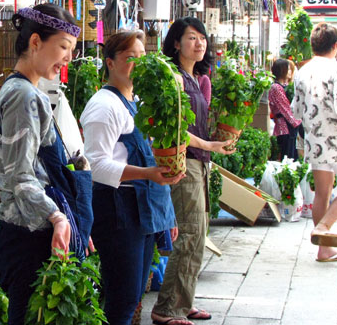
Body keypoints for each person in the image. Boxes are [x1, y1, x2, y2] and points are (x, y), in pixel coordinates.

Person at [0, 4, 92, 325]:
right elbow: (21, 177)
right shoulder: (23, 96)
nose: (67, 57)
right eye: (63, 46)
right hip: (29, 235)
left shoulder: (23, 90)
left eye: (71, 50)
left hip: (26, 231)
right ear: (35, 42)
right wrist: (59, 218)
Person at [80, 30, 184, 325]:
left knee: (135, 293)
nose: (137, 64)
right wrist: (148, 174)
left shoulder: (137, 101)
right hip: (117, 209)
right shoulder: (103, 106)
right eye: (129, 58)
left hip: (142, 210)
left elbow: (151, 156)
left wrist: (167, 214)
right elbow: (96, 166)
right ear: (110, 63)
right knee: (122, 296)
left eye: (141, 58)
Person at [151, 17, 235, 325]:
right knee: (189, 233)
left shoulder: (195, 78)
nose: (199, 43)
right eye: (191, 38)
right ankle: (167, 308)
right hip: (184, 163)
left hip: (199, 161)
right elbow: (175, 131)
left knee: (198, 234)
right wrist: (211, 145)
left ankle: (183, 302)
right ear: (176, 43)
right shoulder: (173, 78)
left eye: (202, 38)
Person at [291, 22, 337, 263]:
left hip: (315, 140)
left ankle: (324, 250)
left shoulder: (302, 71)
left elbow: (297, 110)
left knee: (322, 193)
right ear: (335, 46)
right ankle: (323, 227)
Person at [268, 59, 302, 160]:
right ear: (282, 70)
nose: (290, 72)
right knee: (288, 158)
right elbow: (285, 109)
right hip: (285, 128)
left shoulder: (285, 86)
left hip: (290, 127)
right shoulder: (276, 88)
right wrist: (298, 122)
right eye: (288, 69)